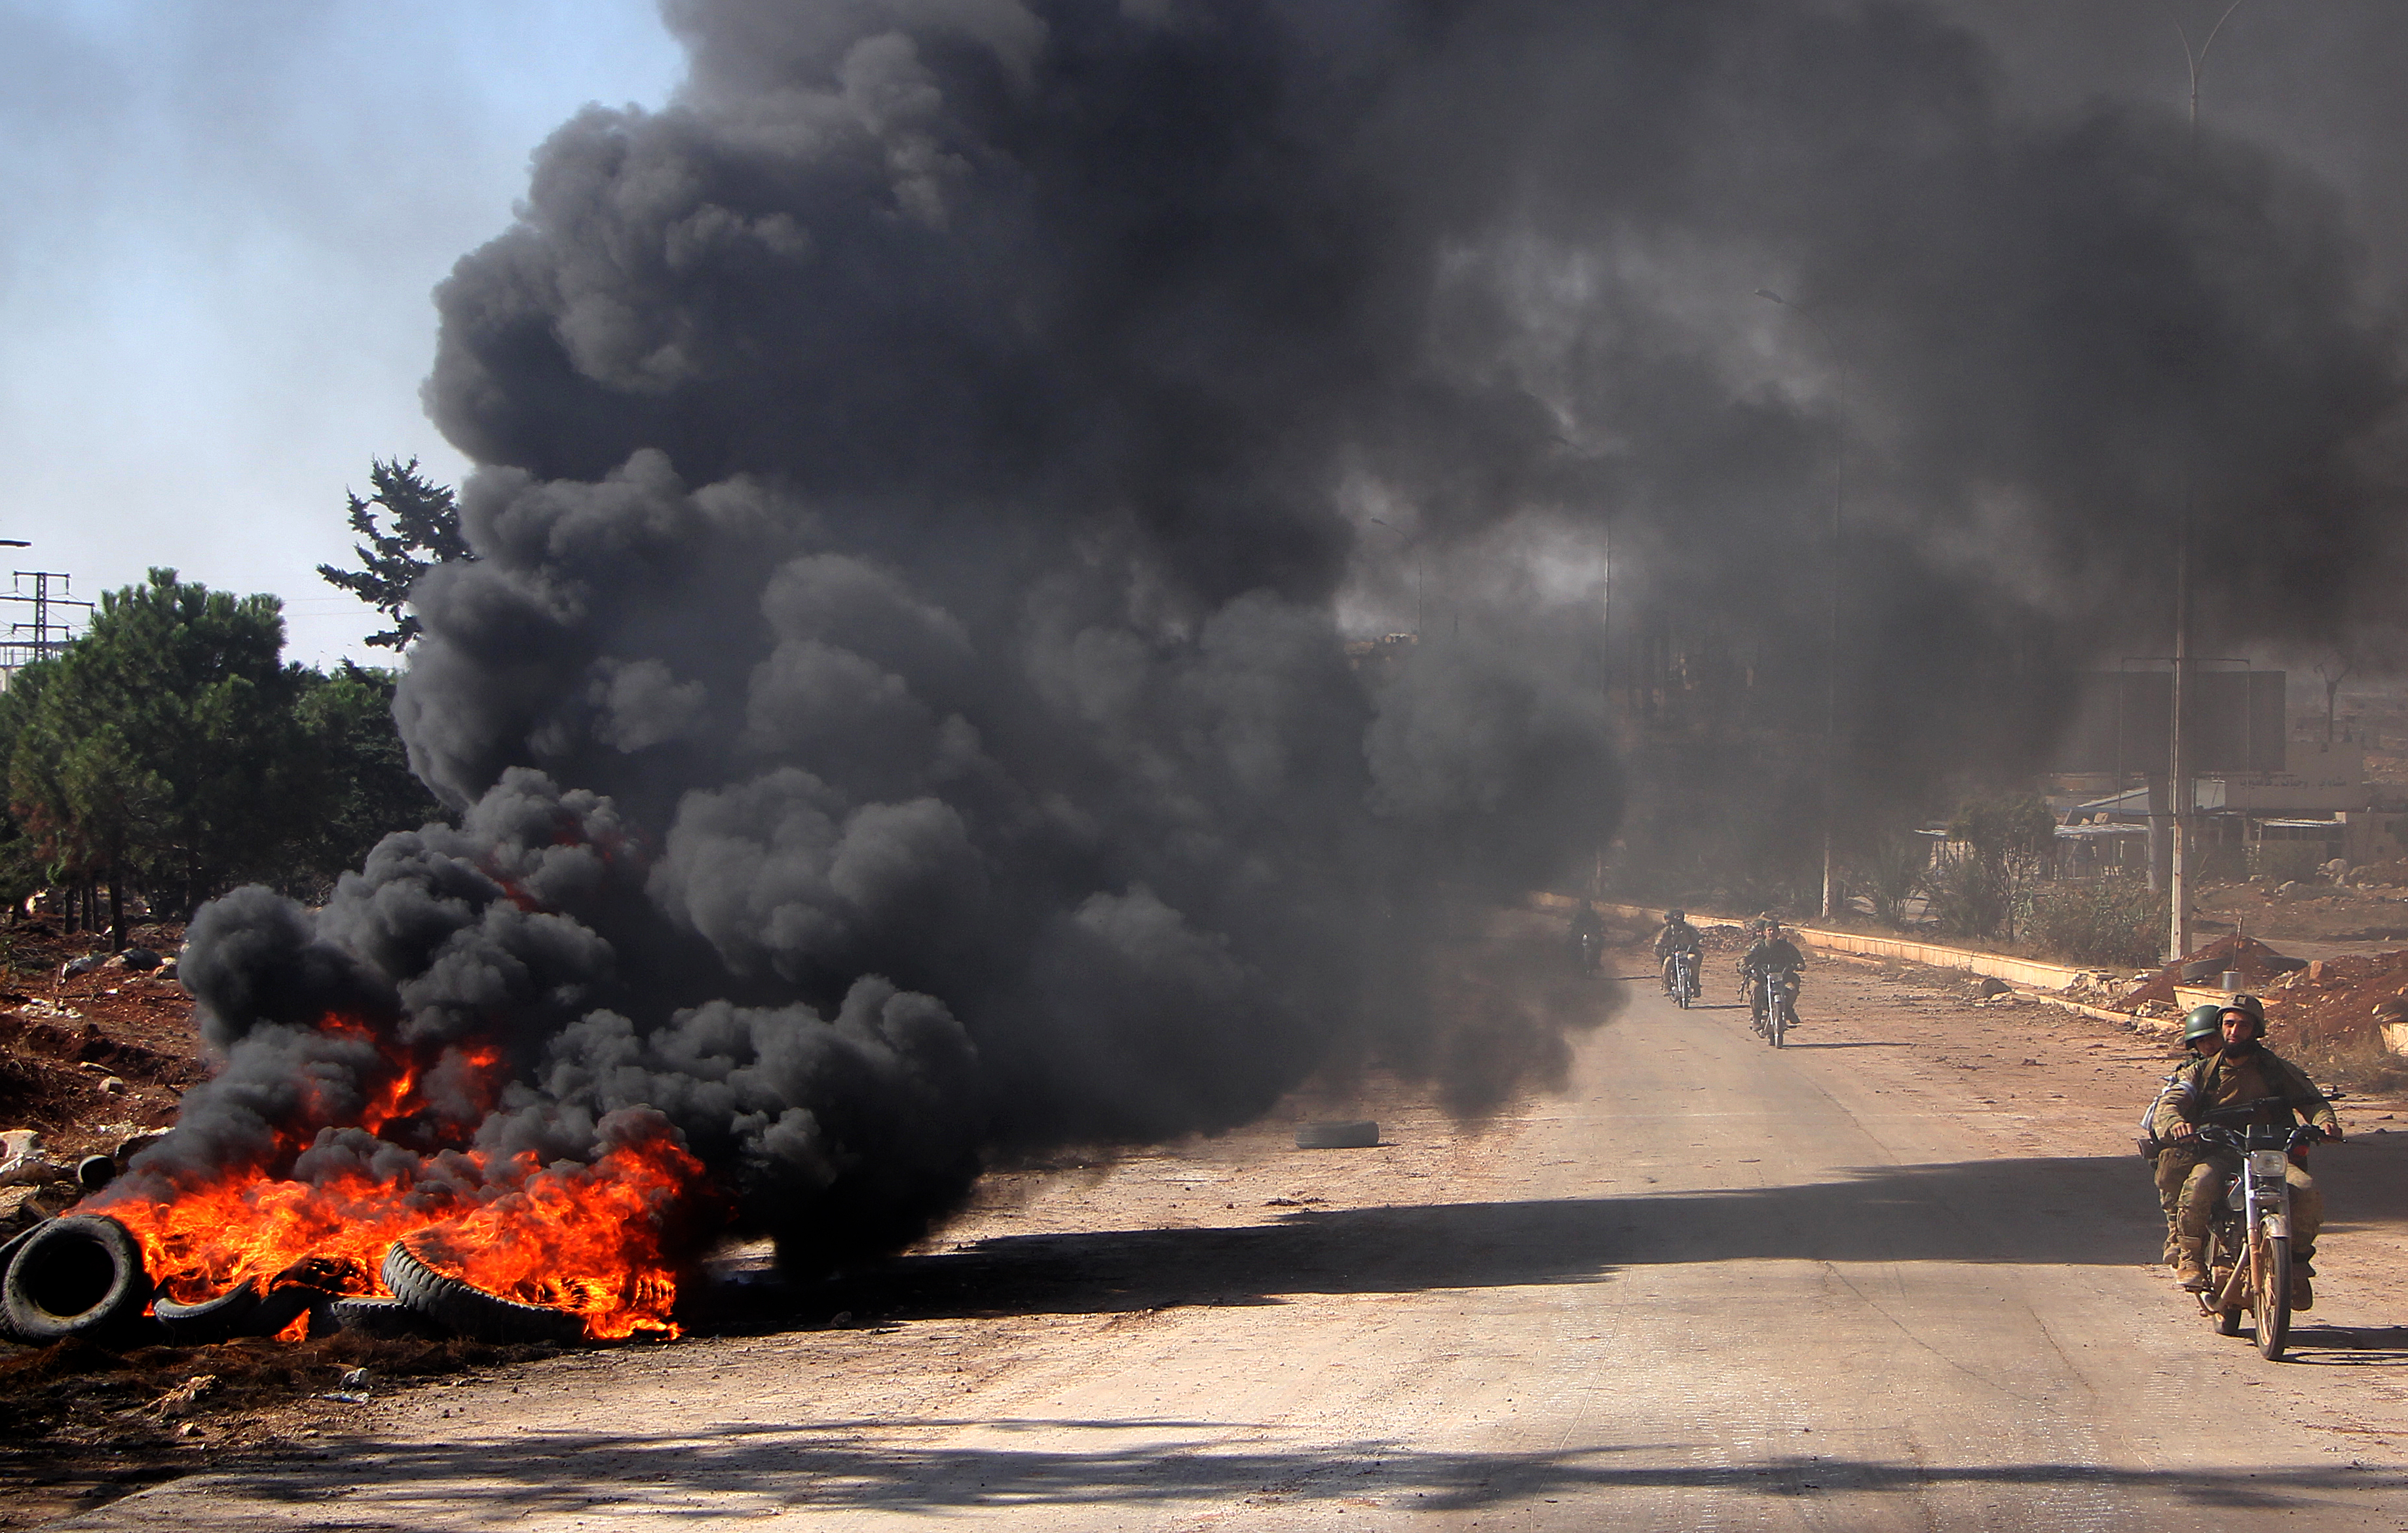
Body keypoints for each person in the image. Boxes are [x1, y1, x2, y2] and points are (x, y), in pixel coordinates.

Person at [2166, 994, 2341, 1308]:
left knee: (2306, 1190)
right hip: (2223, 1151)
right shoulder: (2202, 1072)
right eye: (2229, 1024)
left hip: (2272, 1151)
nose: (2234, 1031)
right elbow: (2172, 1102)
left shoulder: (2276, 1069)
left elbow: (2312, 1102)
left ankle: (2296, 1263)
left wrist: (2325, 1123)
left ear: (2255, 1031)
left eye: (2243, 1025)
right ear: (2220, 1028)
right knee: (2200, 1184)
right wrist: (2176, 1122)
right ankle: (2190, 1257)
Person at [2141, 1005, 2226, 1268]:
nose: (2209, 1046)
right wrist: (2177, 1123)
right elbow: (2170, 1103)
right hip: (2200, 1140)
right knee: (2172, 1169)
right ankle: (2179, 1238)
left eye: (2213, 1038)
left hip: (2246, 1142)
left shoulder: (2259, 1065)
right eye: (2202, 1042)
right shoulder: (2194, 1072)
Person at [1737, 915, 1806, 1029]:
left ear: (1779, 933)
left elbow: (1798, 958)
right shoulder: (1758, 945)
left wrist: (1799, 965)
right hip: (1761, 976)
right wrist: (1743, 966)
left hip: (1782, 976)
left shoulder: (1786, 946)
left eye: (1774, 930)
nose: (1772, 933)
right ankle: (1756, 1018)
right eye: (1769, 930)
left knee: (1793, 987)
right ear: (1765, 932)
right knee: (1755, 988)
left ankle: (1788, 1009)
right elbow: (1745, 957)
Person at [1653, 909, 1703, 998]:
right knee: (1667, 963)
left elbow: (1697, 936)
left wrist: (1699, 941)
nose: (1678, 920)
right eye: (1676, 917)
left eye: (1680, 917)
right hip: (1672, 954)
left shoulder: (1688, 929)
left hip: (1687, 952)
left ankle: (1695, 983)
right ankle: (1667, 986)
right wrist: (1659, 944)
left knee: (1694, 959)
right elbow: (1660, 939)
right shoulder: (1667, 930)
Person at [1569, 900, 1604, 975]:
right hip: (1581, 935)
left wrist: (1598, 931)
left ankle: (1596, 962)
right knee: (1573, 945)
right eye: (1583, 906)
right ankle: (1573, 961)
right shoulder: (1579, 915)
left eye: (1586, 906)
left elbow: (1599, 924)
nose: (1584, 908)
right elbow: (1575, 925)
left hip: (1590, 935)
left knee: (1599, 943)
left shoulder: (1593, 915)